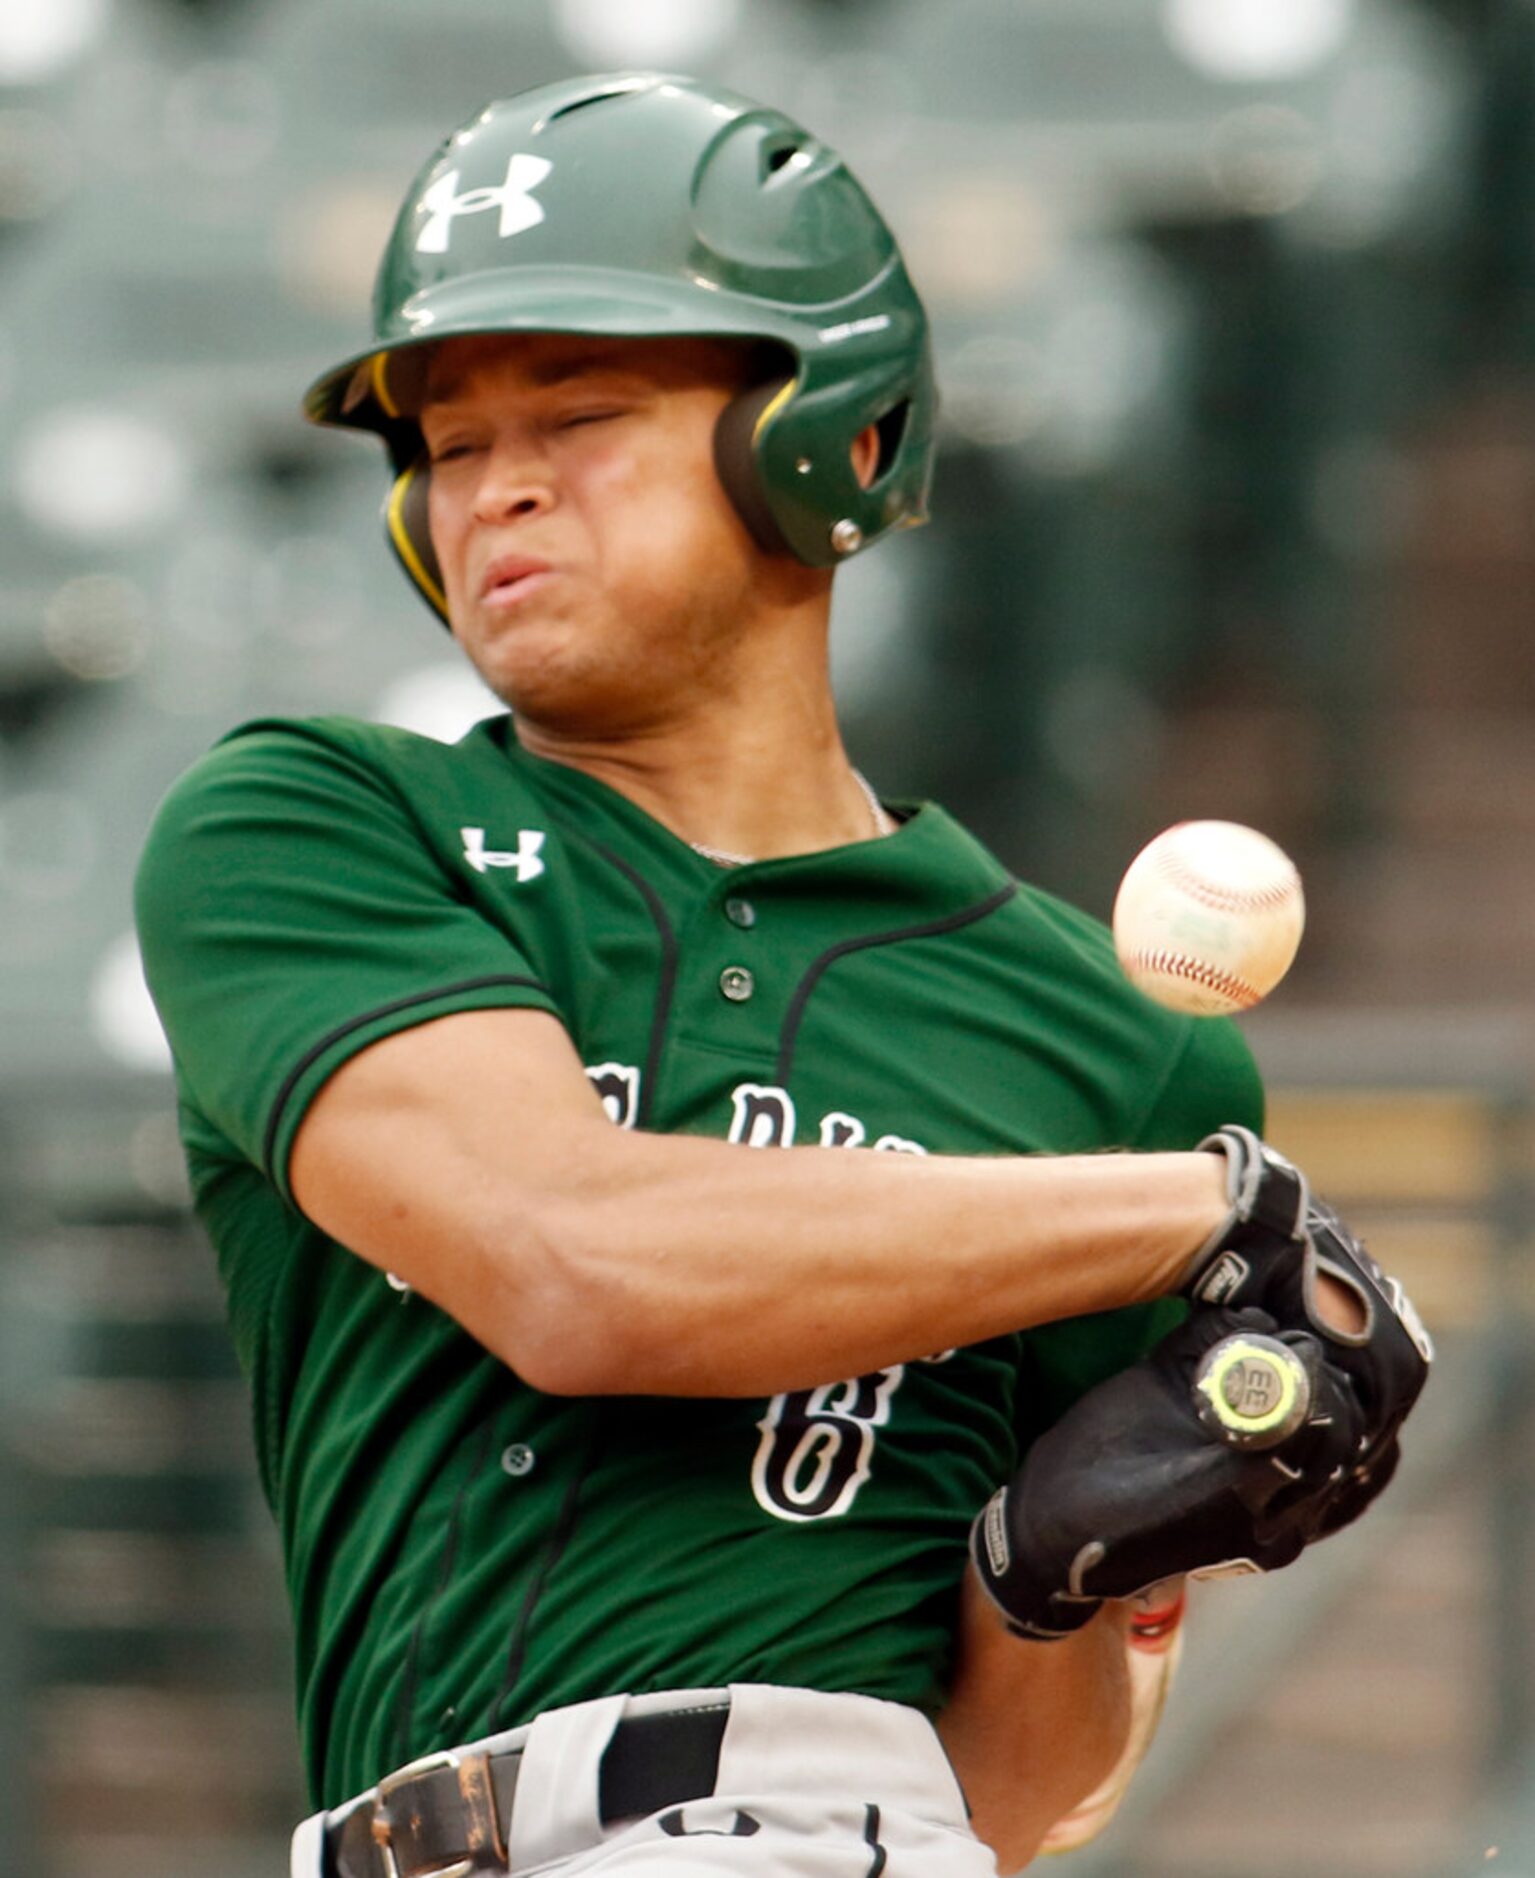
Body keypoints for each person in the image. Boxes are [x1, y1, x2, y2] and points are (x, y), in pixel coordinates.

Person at [134, 72, 1430, 1877]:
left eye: (579, 410)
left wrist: (1044, 1583)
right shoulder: (320, 823)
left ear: (838, 441)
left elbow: (1021, 1787)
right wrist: (1193, 1215)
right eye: (445, 440)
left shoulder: (1116, 1050)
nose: (492, 483)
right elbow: (570, 1261)